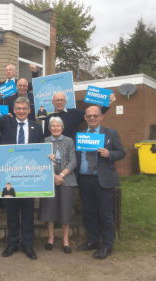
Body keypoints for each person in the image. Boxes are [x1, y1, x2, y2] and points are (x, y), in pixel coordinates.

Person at [0, 88, 44, 260]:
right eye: (18, 108)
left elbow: (41, 150)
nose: (21, 111)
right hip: (9, 177)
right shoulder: (7, 122)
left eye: (24, 109)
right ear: (14, 110)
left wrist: (46, 157)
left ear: (28, 110)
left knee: (27, 212)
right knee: (11, 211)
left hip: (29, 177)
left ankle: (28, 245)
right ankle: (12, 244)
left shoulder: (36, 127)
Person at [76, 106, 126, 259]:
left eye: (95, 116)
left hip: (103, 180)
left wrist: (109, 153)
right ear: (85, 117)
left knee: (105, 214)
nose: (92, 118)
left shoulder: (111, 133)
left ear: (101, 117)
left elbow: (121, 153)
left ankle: (107, 246)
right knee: (89, 213)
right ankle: (93, 241)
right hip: (84, 180)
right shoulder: (80, 135)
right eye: (89, 116)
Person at [38, 116, 77, 254]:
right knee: (50, 209)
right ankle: (50, 238)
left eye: (58, 126)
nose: (55, 128)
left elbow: (73, 161)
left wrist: (61, 176)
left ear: (62, 128)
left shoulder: (69, 141)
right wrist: (53, 176)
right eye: (53, 126)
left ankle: (65, 240)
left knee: (65, 210)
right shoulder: (45, 141)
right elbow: (41, 161)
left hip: (67, 178)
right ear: (49, 128)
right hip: (49, 178)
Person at [43, 92, 116, 140]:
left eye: (62, 100)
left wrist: (107, 104)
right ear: (53, 102)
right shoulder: (48, 118)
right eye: (57, 100)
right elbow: (46, 137)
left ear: (65, 102)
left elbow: (92, 116)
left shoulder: (74, 113)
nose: (59, 102)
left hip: (72, 151)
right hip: (54, 151)